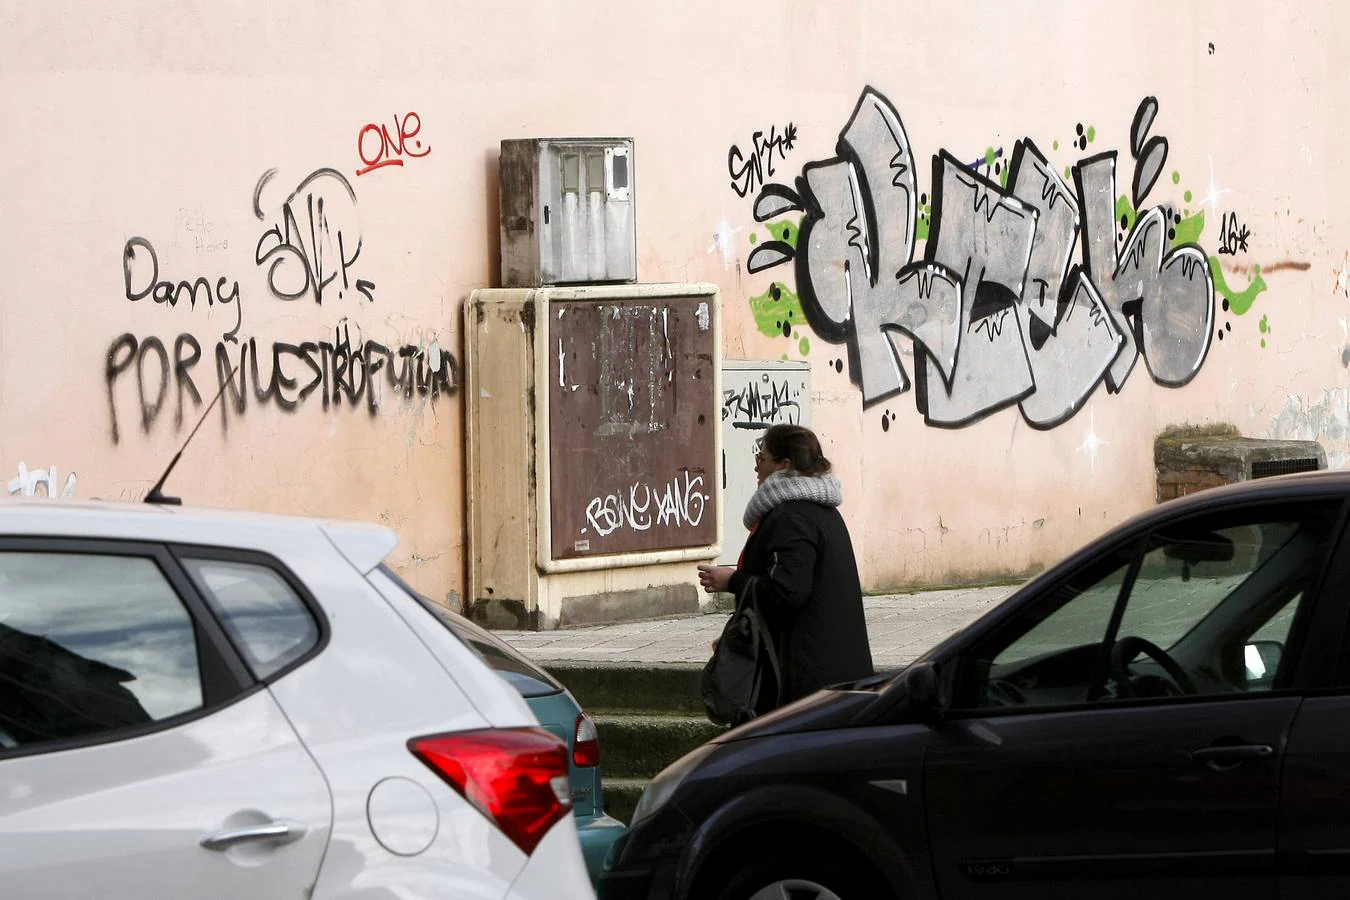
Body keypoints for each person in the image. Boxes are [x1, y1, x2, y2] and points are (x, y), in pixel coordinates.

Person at [697, 423, 873, 715]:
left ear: (785, 465)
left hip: (805, 686)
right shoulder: (818, 511)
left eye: (761, 458)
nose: (756, 468)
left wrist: (733, 581)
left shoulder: (793, 517)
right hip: (825, 675)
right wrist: (738, 634)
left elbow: (787, 591)